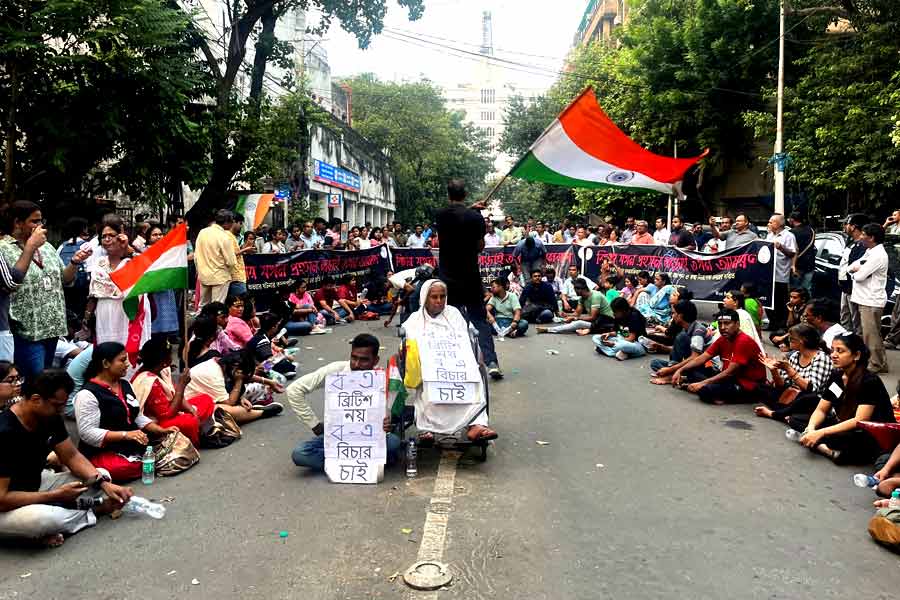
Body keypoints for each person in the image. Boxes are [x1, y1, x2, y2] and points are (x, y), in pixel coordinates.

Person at [0, 369, 133, 547]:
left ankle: (67, 513)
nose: (62, 410)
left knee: (100, 475)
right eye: (57, 405)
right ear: (36, 399)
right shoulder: (5, 433)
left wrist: (103, 484)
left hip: (35, 486)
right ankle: (93, 509)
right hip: (5, 505)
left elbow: (71, 456)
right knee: (45, 520)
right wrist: (54, 495)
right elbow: (2, 499)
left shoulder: (49, 416)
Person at [0, 201, 91, 379]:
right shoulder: (3, 248)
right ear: (18, 223)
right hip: (26, 330)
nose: (40, 226)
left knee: (45, 381)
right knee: (35, 381)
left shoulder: (47, 247)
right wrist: (30, 246)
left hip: (52, 328)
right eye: (34, 221)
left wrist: (74, 262)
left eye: (41, 221)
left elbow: (64, 279)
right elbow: (12, 282)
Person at [287, 334, 401, 471]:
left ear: (375, 360)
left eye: (364, 360)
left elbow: (389, 416)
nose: (357, 365)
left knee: (393, 443)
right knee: (300, 454)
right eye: (354, 358)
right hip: (338, 436)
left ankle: (345, 462)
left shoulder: (382, 379)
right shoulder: (337, 370)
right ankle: (353, 463)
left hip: (369, 437)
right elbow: (294, 390)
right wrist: (314, 424)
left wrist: (386, 423)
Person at [403, 280, 497, 443]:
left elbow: (465, 336)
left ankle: (476, 424)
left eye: (442, 296)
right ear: (425, 298)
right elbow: (408, 343)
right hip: (429, 363)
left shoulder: (453, 313)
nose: (439, 301)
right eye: (434, 297)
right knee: (428, 378)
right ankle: (428, 427)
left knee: (475, 376)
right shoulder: (415, 319)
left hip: (456, 360)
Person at [74, 343, 178, 482]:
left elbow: (137, 417)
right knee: (123, 468)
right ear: (105, 363)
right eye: (122, 360)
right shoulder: (87, 394)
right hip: (103, 451)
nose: (128, 364)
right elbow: (87, 433)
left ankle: (146, 462)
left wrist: (160, 430)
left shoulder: (125, 384)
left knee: (175, 438)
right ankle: (86, 467)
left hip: (131, 445)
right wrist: (125, 435)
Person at [785, 334, 895, 464]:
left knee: (849, 442)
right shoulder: (836, 376)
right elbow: (821, 409)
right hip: (846, 427)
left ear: (857, 355)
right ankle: (818, 443)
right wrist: (812, 428)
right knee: (797, 419)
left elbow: (860, 420)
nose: (833, 355)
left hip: (869, 434)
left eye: (840, 351)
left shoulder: (869, 381)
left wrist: (821, 433)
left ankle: (821, 446)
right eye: (832, 350)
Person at [435, 178, 501, 379]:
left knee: (450, 320)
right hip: (470, 277)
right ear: (465, 195)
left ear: (449, 195)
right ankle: (491, 362)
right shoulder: (475, 218)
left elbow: (453, 219)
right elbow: (480, 246)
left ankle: (453, 362)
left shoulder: (440, 215)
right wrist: (473, 212)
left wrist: (472, 210)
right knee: (480, 321)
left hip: (448, 277)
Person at [671, 309, 767, 404]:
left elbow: (729, 372)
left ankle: (720, 396)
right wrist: (680, 370)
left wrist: (702, 383)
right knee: (692, 370)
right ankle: (690, 382)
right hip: (730, 380)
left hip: (748, 386)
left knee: (705, 390)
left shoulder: (743, 341)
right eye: (720, 324)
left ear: (737, 324)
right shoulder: (724, 338)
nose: (723, 327)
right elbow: (702, 358)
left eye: (727, 323)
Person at [87, 215, 152, 353]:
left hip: (128, 315)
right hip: (105, 314)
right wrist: (86, 319)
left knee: (129, 355)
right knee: (109, 355)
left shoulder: (132, 261)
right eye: (104, 236)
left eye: (112, 235)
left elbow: (149, 267)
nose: (107, 239)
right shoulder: (99, 263)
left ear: (121, 236)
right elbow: (93, 294)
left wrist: (127, 247)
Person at [132, 338, 214, 447]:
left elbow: (175, 396)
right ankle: (192, 442)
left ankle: (196, 430)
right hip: (157, 424)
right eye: (170, 354)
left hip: (173, 410)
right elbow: (166, 415)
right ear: (164, 360)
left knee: (206, 399)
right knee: (190, 421)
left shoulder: (162, 370)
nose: (172, 357)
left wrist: (190, 409)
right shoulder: (148, 381)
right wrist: (181, 385)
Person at [753, 323, 833, 422]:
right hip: (792, 395)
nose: (788, 341)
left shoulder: (821, 358)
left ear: (802, 341)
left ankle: (777, 413)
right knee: (760, 387)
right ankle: (787, 412)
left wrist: (790, 370)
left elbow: (812, 389)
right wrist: (774, 371)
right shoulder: (795, 355)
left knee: (806, 399)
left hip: (809, 399)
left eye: (791, 339)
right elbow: (781, 386)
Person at [185, 350, 282, 425]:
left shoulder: (221, 363)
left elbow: (244, 376)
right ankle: (260, 413)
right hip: (190, 408)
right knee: (223, 411)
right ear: (236, 367)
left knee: (238, 391)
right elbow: (229, 403)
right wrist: (239, 381)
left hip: (203, 400)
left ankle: (249, 410)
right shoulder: (214, 374)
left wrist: (268, 381)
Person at [849, 223, 889, 373]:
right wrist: (855, 270)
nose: (861, 237)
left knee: (871, 335)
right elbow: (852, 266)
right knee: (871, 334)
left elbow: (859, 275)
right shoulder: (870, 251)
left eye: (864, 234)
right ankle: (880, 363)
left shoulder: (878, 255)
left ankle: (876, 364)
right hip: (864, 298)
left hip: (871, 300)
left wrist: (855, 272)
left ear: (872, 238)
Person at [649, 300, 711, 384]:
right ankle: (676, 374)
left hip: (704, 367)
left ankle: (673, 376)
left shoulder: (698, 332)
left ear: (680, 316)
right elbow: (678, 351)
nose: (672, 316)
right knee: (655, 363)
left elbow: (695, 358)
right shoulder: (686, 329)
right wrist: (662, 348)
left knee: (693, 374)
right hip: (690, 364)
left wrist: (670, 369)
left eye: (674, 313)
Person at [538, 279, 614, 335]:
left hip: (605, 321)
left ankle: (549, 329)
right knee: (573, 321)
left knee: (578, 323)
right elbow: (577, 313)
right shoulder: (582, 298)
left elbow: (592, 317)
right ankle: (583, 328)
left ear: (581, 289)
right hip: (596, 320)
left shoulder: (595, 296)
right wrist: (566, 315)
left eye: (575, 289)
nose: (574, 292)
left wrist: (575, 318)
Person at [144, 225, 180, 342]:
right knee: (154, 319)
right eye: (155, 235)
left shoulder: (168, 251)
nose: (158, 237)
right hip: (153, 291)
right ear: (148, 238)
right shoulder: (146, 252)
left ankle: (166, 342)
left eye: (160, 234)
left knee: (166, 324)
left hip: (167, 290)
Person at [195, 210, 237, 307]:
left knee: (203, 305)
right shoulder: (224, 237)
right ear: (226, 222)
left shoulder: (202, 232)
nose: (233, 224)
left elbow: (196, 256)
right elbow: (231, 262)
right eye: (232, 222)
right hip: (220, 276)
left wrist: (199, 270)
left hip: (204, 275)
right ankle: (213, 322)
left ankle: (200, 321)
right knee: (217, 306)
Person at [765, 214, 798, 330]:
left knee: (780, 301)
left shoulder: (788, 236)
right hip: (768, 274)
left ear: (779, 224)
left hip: (781, 274)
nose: (769, 224)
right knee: (769, 301)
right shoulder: (769, 236)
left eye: (771, 222)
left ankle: (782, 325)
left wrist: (781, 248)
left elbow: (792, 253)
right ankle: (772, 323)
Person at [789, 211, 816, 292]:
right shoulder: (811, 230)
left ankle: (794, 305)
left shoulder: (791, 233)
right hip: (810, 265)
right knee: (807, 289)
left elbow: (791, 250)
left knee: (795, 290)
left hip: (797, 266)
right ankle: (806, 304)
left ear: (792, 220)